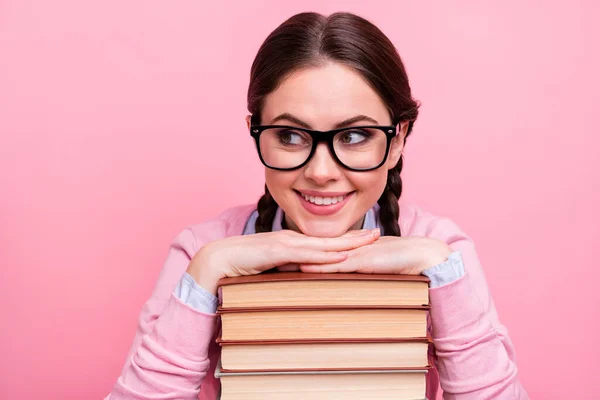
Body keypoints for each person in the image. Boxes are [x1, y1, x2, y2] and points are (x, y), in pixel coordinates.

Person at [106, 11, 529, 400]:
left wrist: (438, 265)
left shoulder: (440, 248)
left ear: (398, 140)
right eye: (290, 136)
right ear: (255, 133)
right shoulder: (203, 249)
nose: (322, 172)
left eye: (354, 136)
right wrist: (205, 273)